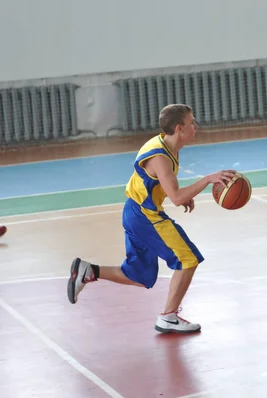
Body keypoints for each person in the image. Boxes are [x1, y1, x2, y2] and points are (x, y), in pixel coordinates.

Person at [66, 104, 236, 334]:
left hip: (135, 212)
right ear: (179, 128)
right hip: (146, 216)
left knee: (138, 274)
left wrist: (182, 195)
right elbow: (175, 197)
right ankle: (168, 316)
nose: (196, 126)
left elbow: (161, 186)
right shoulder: (161, 157)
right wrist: (207, 180)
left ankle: (89, 271)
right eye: (191, 122)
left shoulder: (167, 145)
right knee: (188, 259)